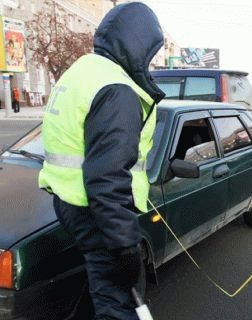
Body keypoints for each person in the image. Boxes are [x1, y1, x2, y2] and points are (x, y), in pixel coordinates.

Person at [38, 3, 165, 319]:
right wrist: (124, 245)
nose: (149, 63)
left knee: (103, 284)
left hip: (70, 199)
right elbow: (107, 178)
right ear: (137, 44)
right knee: (117, 300)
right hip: (96, 210)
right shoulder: (117, 90)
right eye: (149, 54)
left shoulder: (83, 70)